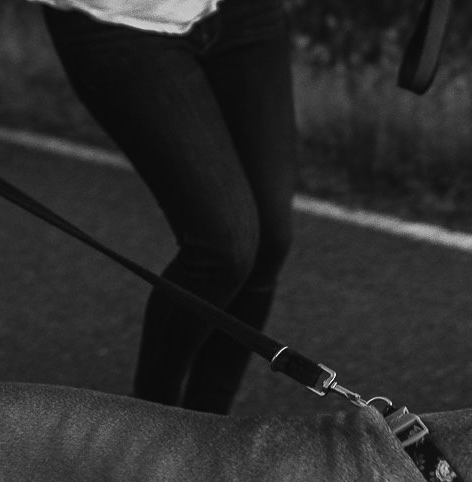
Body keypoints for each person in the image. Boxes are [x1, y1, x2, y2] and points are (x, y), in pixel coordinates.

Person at [33, 0, 297, 414]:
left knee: (270, 238)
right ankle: (149, 424)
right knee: (224, 246)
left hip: (245, 14)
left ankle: (209, 425)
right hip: (121, 20)